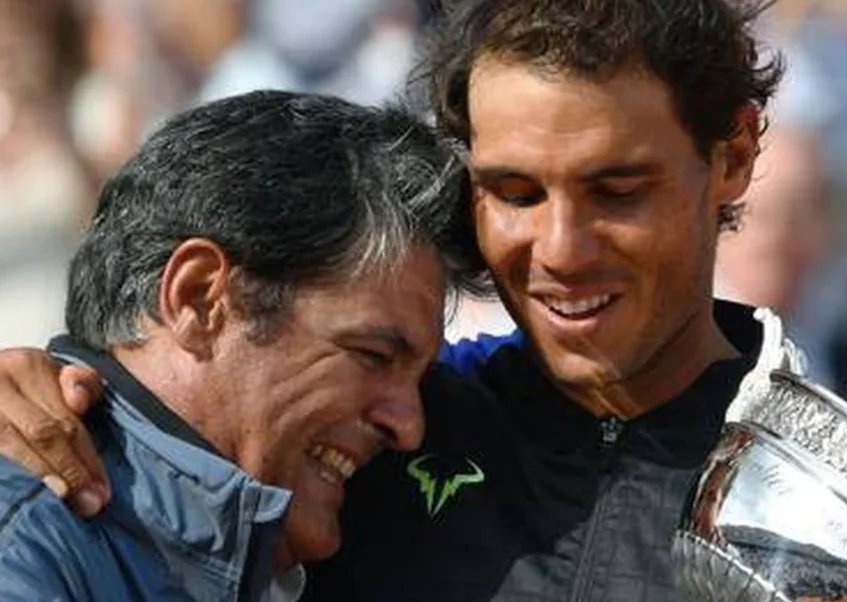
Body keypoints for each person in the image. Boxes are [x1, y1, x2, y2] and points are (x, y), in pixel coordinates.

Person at [0, 1, 792, 601]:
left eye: (617, 191)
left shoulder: (833, 514)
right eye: (513, 193)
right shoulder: (361, 442)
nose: (560, 249)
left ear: (734, 156)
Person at [0, 90, 484, 600]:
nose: (409, 428)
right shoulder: (25, 548)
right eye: (374, 356)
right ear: (199, 298)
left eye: (418, 377)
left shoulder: (296, 542)